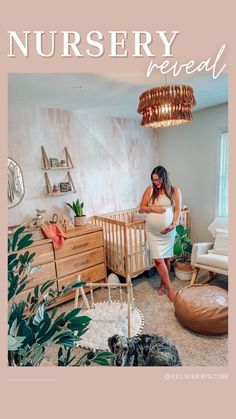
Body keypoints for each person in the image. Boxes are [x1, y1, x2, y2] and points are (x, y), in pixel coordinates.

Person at [140, 166, 182, 302]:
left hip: (169, 230)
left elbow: (177, 210)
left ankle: (163, 284)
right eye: (153, 180)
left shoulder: (174, 190)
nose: (156, 182)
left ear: (164, 176)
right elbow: (142, 207)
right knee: (158, 259)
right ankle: (170, 288)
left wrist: (173, 224)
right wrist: (154, 209)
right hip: (152, 232)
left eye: (158, 179)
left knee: (166, 259)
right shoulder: (150, 190)